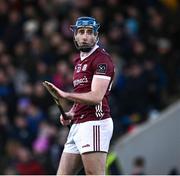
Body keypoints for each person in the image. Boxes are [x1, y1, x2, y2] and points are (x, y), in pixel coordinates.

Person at [43, 16, 115, 175]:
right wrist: (72, 112)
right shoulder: (79, 61)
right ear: (75, 35)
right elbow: (82, 94)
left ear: (96, 36)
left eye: (90, 32)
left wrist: (65, 95)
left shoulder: (102, 60)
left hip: (95, 122)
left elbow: (96, 96)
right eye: (81, 32)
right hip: (78, 123)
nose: (85, 36)